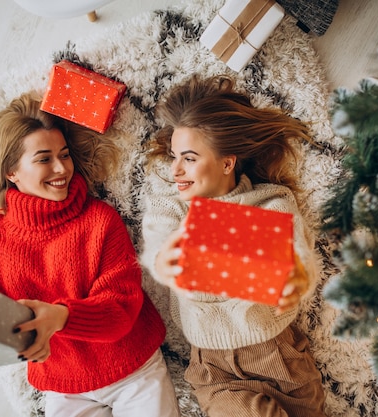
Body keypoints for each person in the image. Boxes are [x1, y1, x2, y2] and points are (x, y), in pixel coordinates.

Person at [0, 91, 181, 417]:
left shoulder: (100, 219)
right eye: (44, 159)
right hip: (62, 385)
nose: (61, 168)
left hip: (132, 368)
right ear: (12, 172)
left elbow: (121, 309)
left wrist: (61, 316)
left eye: (65, 155)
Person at [140, 74, 327, 417]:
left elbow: (297, 253)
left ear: (227, 162)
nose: (175, 170)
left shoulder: (271, 201)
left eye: (189, 158)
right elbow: (157, 243)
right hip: (215, 370)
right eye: (174, 156)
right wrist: (162, 259)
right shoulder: (171, 207)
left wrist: (298, 276)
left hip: (279, 360)